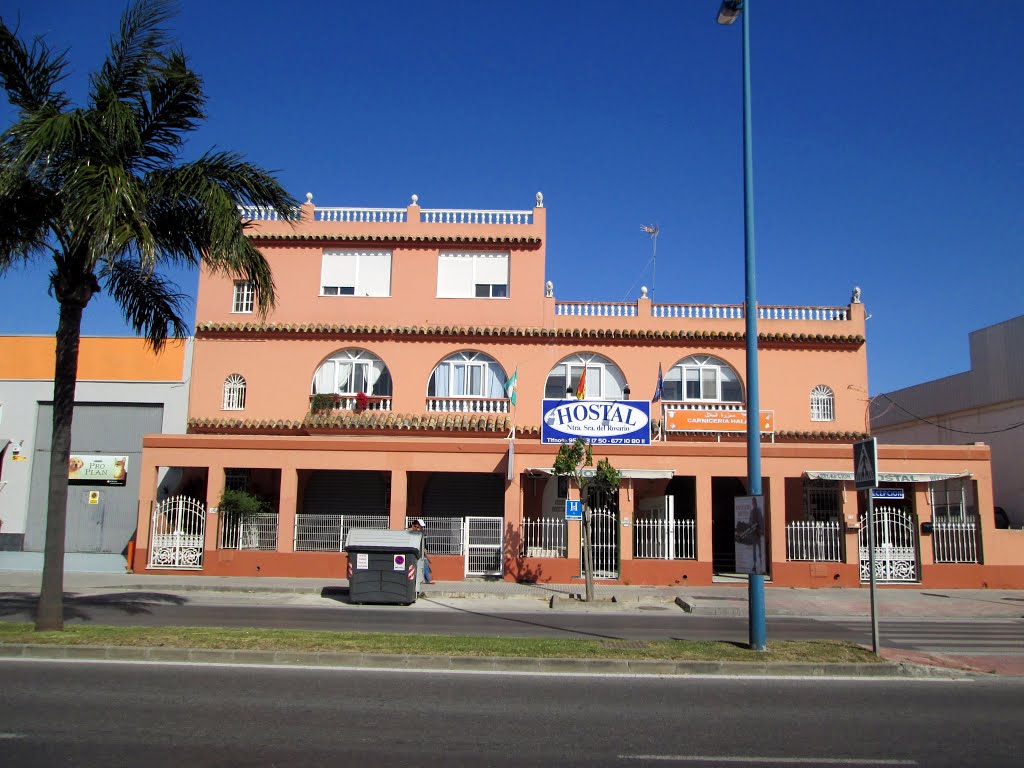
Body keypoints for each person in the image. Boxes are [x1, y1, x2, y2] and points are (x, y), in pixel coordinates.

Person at [408, 518, 432, 584]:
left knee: (425, 565)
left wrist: (427, 557)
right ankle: (427, 580)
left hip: (421, 554)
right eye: (418, 527)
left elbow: (424, 548)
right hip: (414, 554)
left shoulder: (422, 535)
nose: (419, 529)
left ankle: (427, 580)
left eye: (421, 527)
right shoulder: (409, 533)